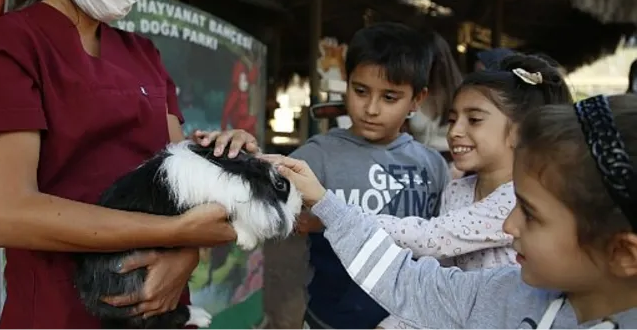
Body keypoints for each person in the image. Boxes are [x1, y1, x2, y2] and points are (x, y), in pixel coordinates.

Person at [0, 0, 252, 329]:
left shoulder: (144, 55)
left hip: (163, 311)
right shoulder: (14, 44)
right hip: (61, 311)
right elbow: (9, 214)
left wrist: (223, 162)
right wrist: (177, 238)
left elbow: (177, 185)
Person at [267, 93, 637, 329]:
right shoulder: (506, 294)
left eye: (532, 214)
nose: (509, 225)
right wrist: (327, 204)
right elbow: (410, 282)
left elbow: (430, 241)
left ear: (623, 253)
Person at [375, 54, 574, 330]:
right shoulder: (456, 191)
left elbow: (430, 238)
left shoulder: (517, 198)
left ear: (519, 131)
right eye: (453, 119)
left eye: (474, 120)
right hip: (458, 312)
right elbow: (441, 273)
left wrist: (338, 213)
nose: (455, 131)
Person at [291, 23, 451, 330]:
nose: (371, 109)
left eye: (390, 97)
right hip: (327, 320)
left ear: (417, 100)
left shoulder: (433, 167)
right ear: (347, 83)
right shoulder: (316, 157)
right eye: (360, 91)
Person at [406, 31, 463, 154]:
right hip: (417, 159)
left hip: (454, 160)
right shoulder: (411, 90)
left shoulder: (462, 93)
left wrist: (459, 168)